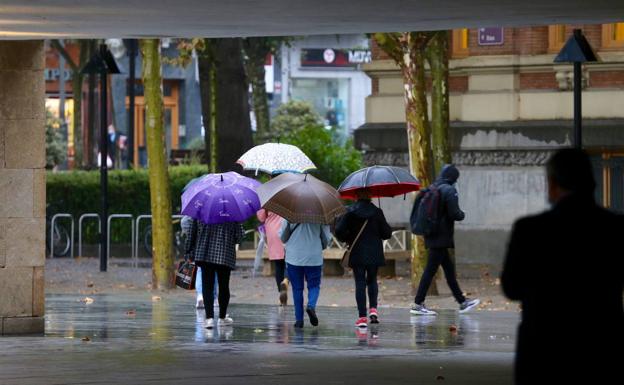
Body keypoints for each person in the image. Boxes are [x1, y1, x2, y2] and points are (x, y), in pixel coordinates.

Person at [501, 149, 623, 385]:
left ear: (552, 183)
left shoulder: (530, 230)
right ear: (592, 183)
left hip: (543, 350)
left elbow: (511, 288)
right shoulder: (615, 229)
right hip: (602, 348)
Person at [410, 164, 480, 315]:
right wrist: (462, 214)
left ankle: (462, 302)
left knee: (448, 271)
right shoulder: (449, 190)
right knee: (430, 270)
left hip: (432, 234)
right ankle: (417, 303)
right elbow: (455, 213)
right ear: (453, 177)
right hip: (441, 237)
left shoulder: (432, 188)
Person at [335, 190, 392, 328]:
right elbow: (387, 233)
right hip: (374, 253)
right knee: (372, 280)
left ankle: (362, 318)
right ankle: (373, 309)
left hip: (357, 252)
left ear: (356, 196)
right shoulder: (377, 212)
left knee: (360, 282)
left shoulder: (350, 212)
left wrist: (348, 237)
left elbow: (339, 231)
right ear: (370, 196)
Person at [185, 219, 245, 329]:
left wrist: (189, 252)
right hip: (225, 254)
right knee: (224, 286)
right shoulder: (232, 212)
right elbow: (240, 237)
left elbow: (191, 233)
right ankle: (222, 318)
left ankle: (209, 319)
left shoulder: (201, 210)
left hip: (204, 252)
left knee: (207, 286)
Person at [280, 219, 332, 328]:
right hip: (314, 256)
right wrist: (318, 245)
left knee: (297, 289)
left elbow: (283, 237)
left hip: (294, 257)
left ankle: (299, 320)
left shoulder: (289, 212)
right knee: (314, 286)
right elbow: (326, 239)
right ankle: (311, 306)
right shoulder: (321, 215)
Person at [257, 209, 289, 305]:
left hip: (272, 231)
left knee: (278, 264)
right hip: (286, 229)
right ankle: (286, 279)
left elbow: (261, 217)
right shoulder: (287, 194)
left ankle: (281, 296)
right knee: (289, 262)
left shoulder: (268, 197)